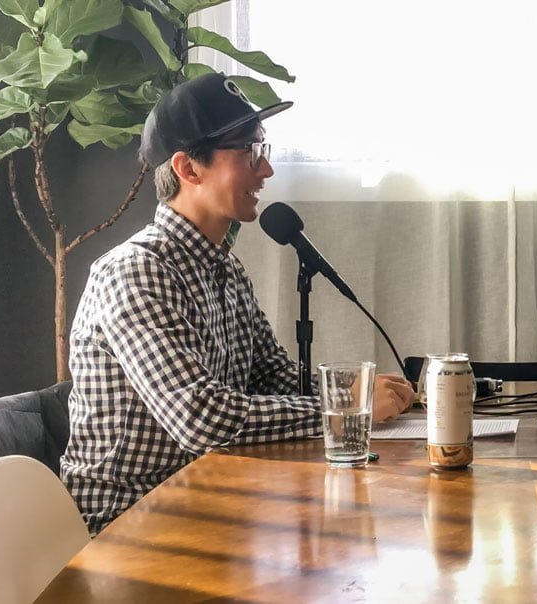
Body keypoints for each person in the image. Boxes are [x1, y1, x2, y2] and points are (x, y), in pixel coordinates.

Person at [61, 74, 414, 535]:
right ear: (189, 168)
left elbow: (272, 376)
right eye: (251, 152)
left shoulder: (225, 267)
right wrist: (348, 405)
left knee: (366, 530)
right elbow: (200, 419)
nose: (266, 170)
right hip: (130, 522)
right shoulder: (135, 272)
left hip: (215, 500)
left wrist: (359, 388)